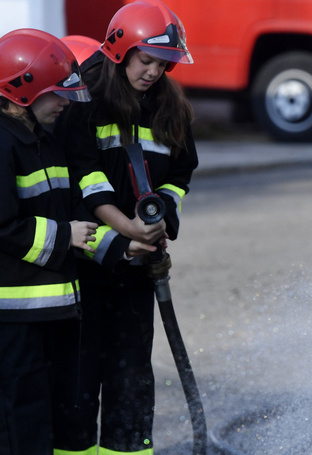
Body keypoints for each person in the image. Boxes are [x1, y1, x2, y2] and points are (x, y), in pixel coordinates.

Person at [52, 1, 198, 453]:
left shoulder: (168, 107)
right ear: (120, 50)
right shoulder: (86, 100)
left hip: (138, 264)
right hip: (86, 263)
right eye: (147, 60)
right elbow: (85, 179)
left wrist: (161, 220)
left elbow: (179, 174)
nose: (154, 72)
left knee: (132, 375)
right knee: (78, 379)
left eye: (163, 64)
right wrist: (128, 235)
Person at [0, 28, 95, 455]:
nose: (64, 102)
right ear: (23, 91)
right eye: (57, 93)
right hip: (11, 317)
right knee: (19, 418)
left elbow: (68, 207)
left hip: (42, 313)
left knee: (42, 416)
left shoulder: (40, 140)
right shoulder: (4, 145)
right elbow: (4, 226)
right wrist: (66, 237)